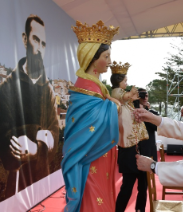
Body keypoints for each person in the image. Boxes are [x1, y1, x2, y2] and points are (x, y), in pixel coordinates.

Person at [0, 14, 59, 199]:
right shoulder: (8, 87)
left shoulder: (48, 90)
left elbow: (54, 135)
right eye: (35, 40)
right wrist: (40, 134)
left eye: (43, 44)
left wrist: (34, 147)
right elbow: (4, 138)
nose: (39, 48)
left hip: (43, 182)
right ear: (25, 39)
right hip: (17, 186)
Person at [61, 20, 120, 212]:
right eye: (106, 56)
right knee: (94, 196)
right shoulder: (86, 87)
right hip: (91, 156)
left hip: (97, 153)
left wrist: (112, 104)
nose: (110, 62)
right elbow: (96, 118)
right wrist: (114, 106)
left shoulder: (96, 86)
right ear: (92, 58)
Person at [110, 62, 149, 212]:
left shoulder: (127, 102)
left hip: (138, 146)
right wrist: (131, 95)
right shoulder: (116, 94)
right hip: (128, 149)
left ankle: (140, 210)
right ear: (118, 81)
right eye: (125, 80)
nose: (126, 83)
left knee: (142, 185)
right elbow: (124, 96)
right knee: (127, 186)